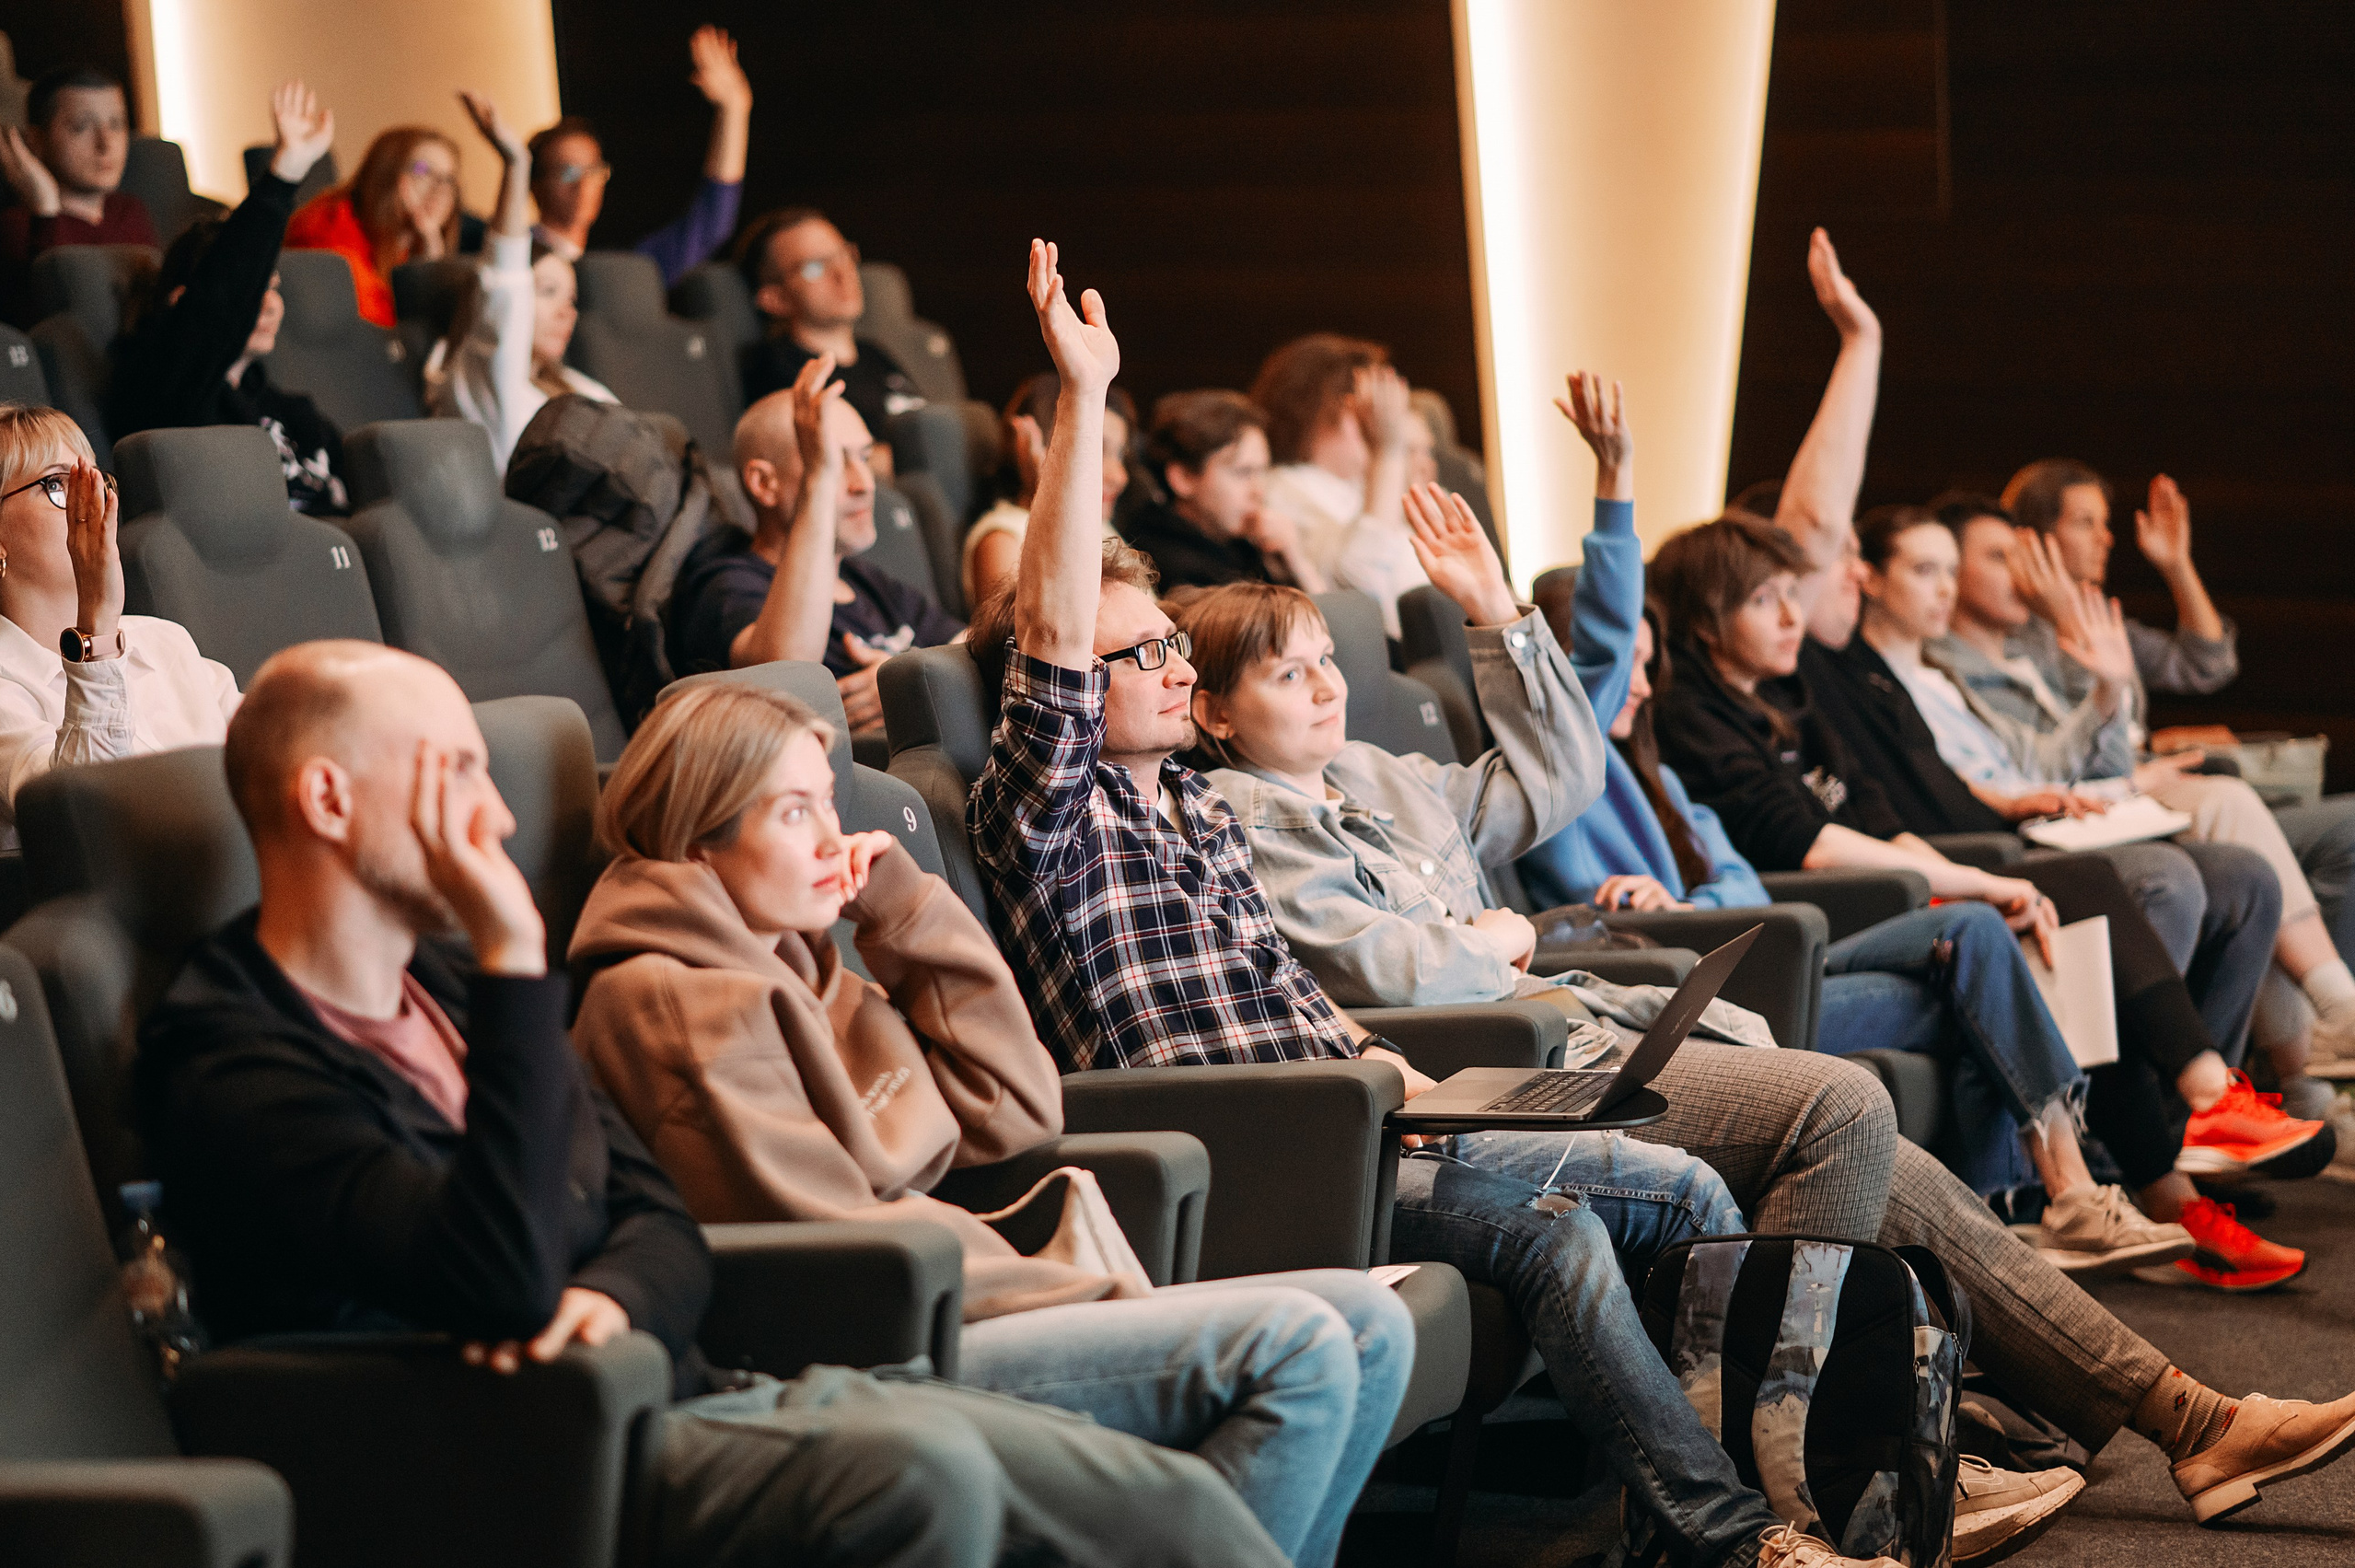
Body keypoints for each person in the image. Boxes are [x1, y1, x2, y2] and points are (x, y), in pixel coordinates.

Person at [963, 238, 2116, 1568]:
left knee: (1683, 1185)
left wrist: (1372, 1056)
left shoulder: (1197, 813)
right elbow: (1051, 646)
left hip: (1374, 1110)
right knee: (1616, 1210)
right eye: (1141, 651)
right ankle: (1755, 1520)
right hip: (1261, 1158)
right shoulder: (1049, 819)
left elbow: (1293, 993)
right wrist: (1086, 400)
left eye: (1172, 640)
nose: (1166, 662)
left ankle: (1799, 1484)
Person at [136, 638, 1290, 1568]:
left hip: (692, 1383)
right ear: (328, 797)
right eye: (452, 772)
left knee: (1167, 1505)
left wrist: (610, 1291)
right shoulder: (236, 1051)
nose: (490, 817)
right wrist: (505, 951)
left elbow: (654, 1217)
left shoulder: (443, 991)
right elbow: (492, 1272)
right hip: (529, 1446)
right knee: (930, 1472)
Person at [1208, 377, 2144, 1266]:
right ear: (1212, 711)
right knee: (1873, 1074)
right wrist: (1495, 936)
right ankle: (1851, 1366)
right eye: (1291, 672)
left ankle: (2094, 1374)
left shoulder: (1384, 772)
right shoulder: (1245, 818)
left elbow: (1567, 775)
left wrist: (1494, 607)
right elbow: (1391, 964)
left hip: (1590, 1008)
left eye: (1328, 658)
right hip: (1521, 1051)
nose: (1331, 683)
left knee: (1890, 1101)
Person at [567, 679, 1410, 1568]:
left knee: (1370, 1323)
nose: (833, 839)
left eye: (829, 803)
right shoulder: (673, 996)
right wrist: (1054, 1280)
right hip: (880, 1340)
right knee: (1304, 1343)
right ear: (697, 836)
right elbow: (826, 1234)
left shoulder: (792, 953)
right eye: (791, 814)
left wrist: (904, 909)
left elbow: (1012, 1110)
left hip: (961, 1294)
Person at [1649, 512, 2322, 1292]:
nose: (1794, 615)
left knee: (2048, 917)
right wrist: (1982, 882)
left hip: (1884, 894)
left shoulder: (1791, 701)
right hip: (1818, 921)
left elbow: (1885, 822)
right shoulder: (1695, 717)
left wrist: (1985, 867)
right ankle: (2116, 1172)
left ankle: (2166, 1176)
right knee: (2016, 917)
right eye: (1768, 601)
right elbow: (1811, 844)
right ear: (1705, 616)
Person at [1874, 501, 2355, 1090]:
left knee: (2249, 871)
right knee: (2191, 852)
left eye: (1950, 569)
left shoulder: (1995, 659)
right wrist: (2119, 745)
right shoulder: (1951, 663)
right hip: (2037, 830)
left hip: (2092, 804)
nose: (2106, 538)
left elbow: (2201, 667)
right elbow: (2014, 782)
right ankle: (2253, 1074)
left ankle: (2252, 1094)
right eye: (2084, 523)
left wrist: (2121, 671)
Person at [668, 365, 961, 733]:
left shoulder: (862, 577)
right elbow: (787, 680)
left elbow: (970, 646)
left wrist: (910, 678)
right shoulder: (728, 583)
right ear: (764, 483)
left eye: (864, 458)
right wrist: (819, 482)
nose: (865, 484)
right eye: (835, 462)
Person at [0, 404, 239, 850]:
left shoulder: (163, 641)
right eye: (55, 484)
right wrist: (98, 629)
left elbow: (271, 744)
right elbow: (85, 824)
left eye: (93, 481)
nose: (88, 502)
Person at [111, 82, 349, 515]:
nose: (271, 304)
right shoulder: (168, 391)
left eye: (273, 289)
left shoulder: (295, 411)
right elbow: (219, 302)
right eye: (256, 291)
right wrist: (283, 177)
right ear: (182, 301)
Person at [424, 92, 615, 470]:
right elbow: (505, 282)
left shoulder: (578, 386)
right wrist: (516, 163)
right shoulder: (485, 377)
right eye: (547, 293)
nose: (566, 312)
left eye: (571, 299)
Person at [529, 26, 754, 287]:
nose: (583, 185)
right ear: (536, 186)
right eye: (567, 172)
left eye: (594, 171)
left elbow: (709, 225)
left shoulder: (619, 275)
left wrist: (734, 110)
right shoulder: (512, 257)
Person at [2001, 459, 2235, 709]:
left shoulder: (2102, 620)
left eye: (2104, 522)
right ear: (2032, 535)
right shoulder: (2008, 631)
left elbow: (2206, 666)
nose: (2106, 538)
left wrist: (2177, 565)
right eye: (2085, 522)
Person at [1248, 333, 1426, 635]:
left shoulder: (1357, 486)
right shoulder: (1281, 489)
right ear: (1342, 411)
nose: (1384, 420)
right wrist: (1387, 451)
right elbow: (1360, 587)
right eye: (1369, 407)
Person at [737, 207, 924, 461]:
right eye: (814, 268)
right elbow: (826, 461)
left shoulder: (874, 353)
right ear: (776, 298)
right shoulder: (778, 368)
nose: (842, 273)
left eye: (844, 255)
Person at [1118, 389, 1327, 596]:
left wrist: (1291, 563)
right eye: (1243, 472)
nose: (1258, 491)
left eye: (1262, 471)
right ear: (1183, 478)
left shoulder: (1236, 545)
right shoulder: (1165, 563)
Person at [0, 64, 156, 328]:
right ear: (36, 140)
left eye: (116, 125)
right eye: (82, 127)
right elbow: (45, 325)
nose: (106, 144)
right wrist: (46, 213)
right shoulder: (17, 227)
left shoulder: (130, 212)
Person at [961, 372, 1133, 610]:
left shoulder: (1096, 525)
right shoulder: (1002, 539)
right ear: (1031, 446)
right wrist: (1053, 503)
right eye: (1096, 450)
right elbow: (1032, 639)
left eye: (1121, 455)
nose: (1120, 476)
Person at [283, 122, 463, 329]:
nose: (439, 188)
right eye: (422, 170)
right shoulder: (330, 230)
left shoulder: (407, 246)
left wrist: (432, 257)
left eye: (448, 179)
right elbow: (379, 334)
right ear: (385, 171)